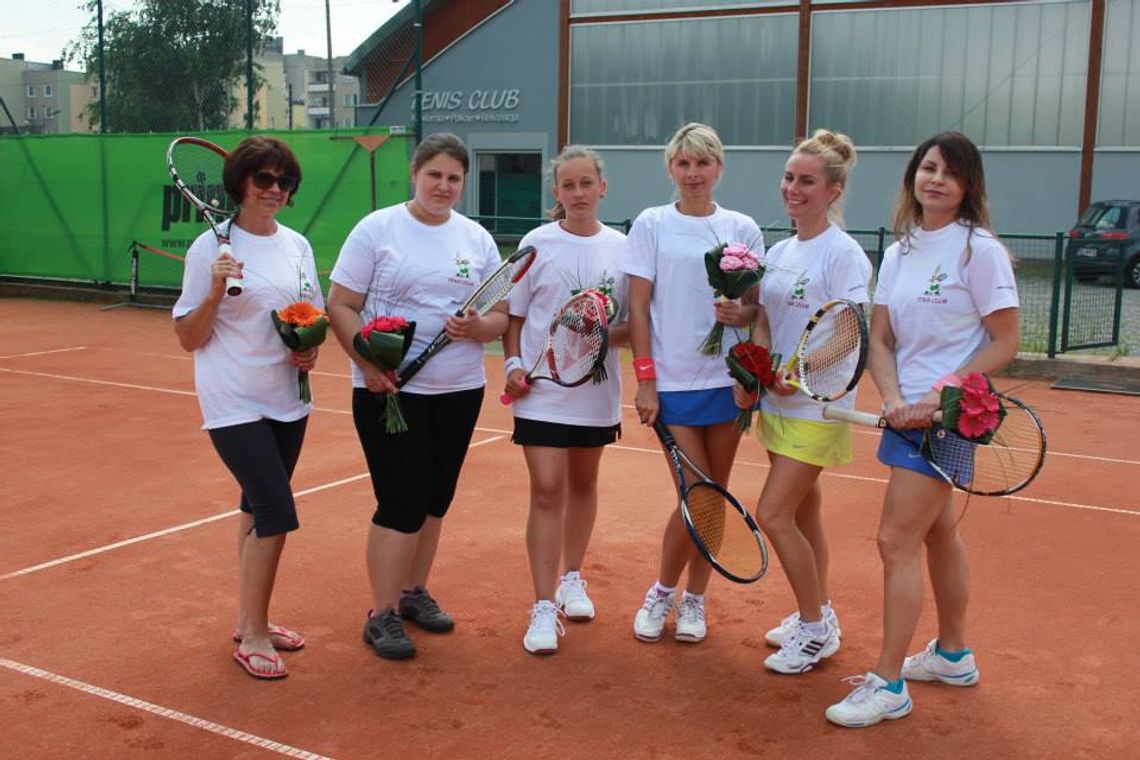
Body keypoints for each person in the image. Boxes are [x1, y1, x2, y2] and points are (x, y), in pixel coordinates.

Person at [825, 131, 1019, 727]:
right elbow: (879, 338)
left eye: (949, 173)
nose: (935, 179)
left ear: (967, 186)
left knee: (895, 540)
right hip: (906, 412)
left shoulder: (978, 251)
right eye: (927, 168)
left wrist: (936, 396)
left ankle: (889, 682)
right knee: (935, 533)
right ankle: (954, 654)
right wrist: (893, 396)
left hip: (948, 420)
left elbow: (1005, 340)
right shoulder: (903, 250)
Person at [326, 133, 507, 661]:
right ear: (415, 173)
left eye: (454, 178)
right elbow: (341, 305)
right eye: (435, 175)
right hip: (391, 393)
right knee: (401, 500)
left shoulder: (476, 239)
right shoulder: (377, 229)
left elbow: (501, 316)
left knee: (434, 500)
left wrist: (477, 327)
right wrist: (367, 364)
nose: (444, 186)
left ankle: (412, 592)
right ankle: (380, 613)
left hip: (460, 390)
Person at [172, 136, 320, 680]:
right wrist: (215, 290)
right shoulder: (208, 250)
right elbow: (189, 337)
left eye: (284, 181)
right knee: (277, 513)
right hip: (233, 401)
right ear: (240, 184)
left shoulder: (297, 245)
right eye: (264, 179)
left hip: (289, 399)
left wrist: (308, 346)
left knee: (255, 509)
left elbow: (309, 315)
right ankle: (255, 635)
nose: (275, 190)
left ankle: (246, 618)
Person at [732, 129, 870, 675]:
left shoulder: (844, 254)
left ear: (833, 191)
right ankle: (820, 613)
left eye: (807, 181)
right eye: (789, 178)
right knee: (804, 511)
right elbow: (766, 319)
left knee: (773, 513)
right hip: (779, 404)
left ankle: (814, 631)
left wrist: (802, 371)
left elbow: (853, 329)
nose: (793, 188)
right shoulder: (780, 250)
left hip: (820, 407)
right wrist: (759, 368)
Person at [620, 122, 763, 644]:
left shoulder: (743, 228)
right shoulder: (652, 224)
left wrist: (738, 312)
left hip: (727, 382)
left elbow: (755, 308)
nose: (694, 173)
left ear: (719, 168)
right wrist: (645, 381)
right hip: (674, 382)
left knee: (715, 494)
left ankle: (696, 599)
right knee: (695, 493)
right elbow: (637, 307)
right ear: (671, 169)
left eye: (703, 164)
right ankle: (661, 591)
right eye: (684, 164)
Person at [501, 146, 630, 655]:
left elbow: (630, 326)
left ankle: (572, 577)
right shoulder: (536, 243)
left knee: (583, 482)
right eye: (568, 185)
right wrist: (512, 364)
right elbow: (513, 317)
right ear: (556, 192)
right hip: (541, 392)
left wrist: (598, 333)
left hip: (595, 392)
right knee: (548, 488)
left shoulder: (623, 247)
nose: (577, 194)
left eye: (586, 184)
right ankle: (541, 605)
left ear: (603, 188)